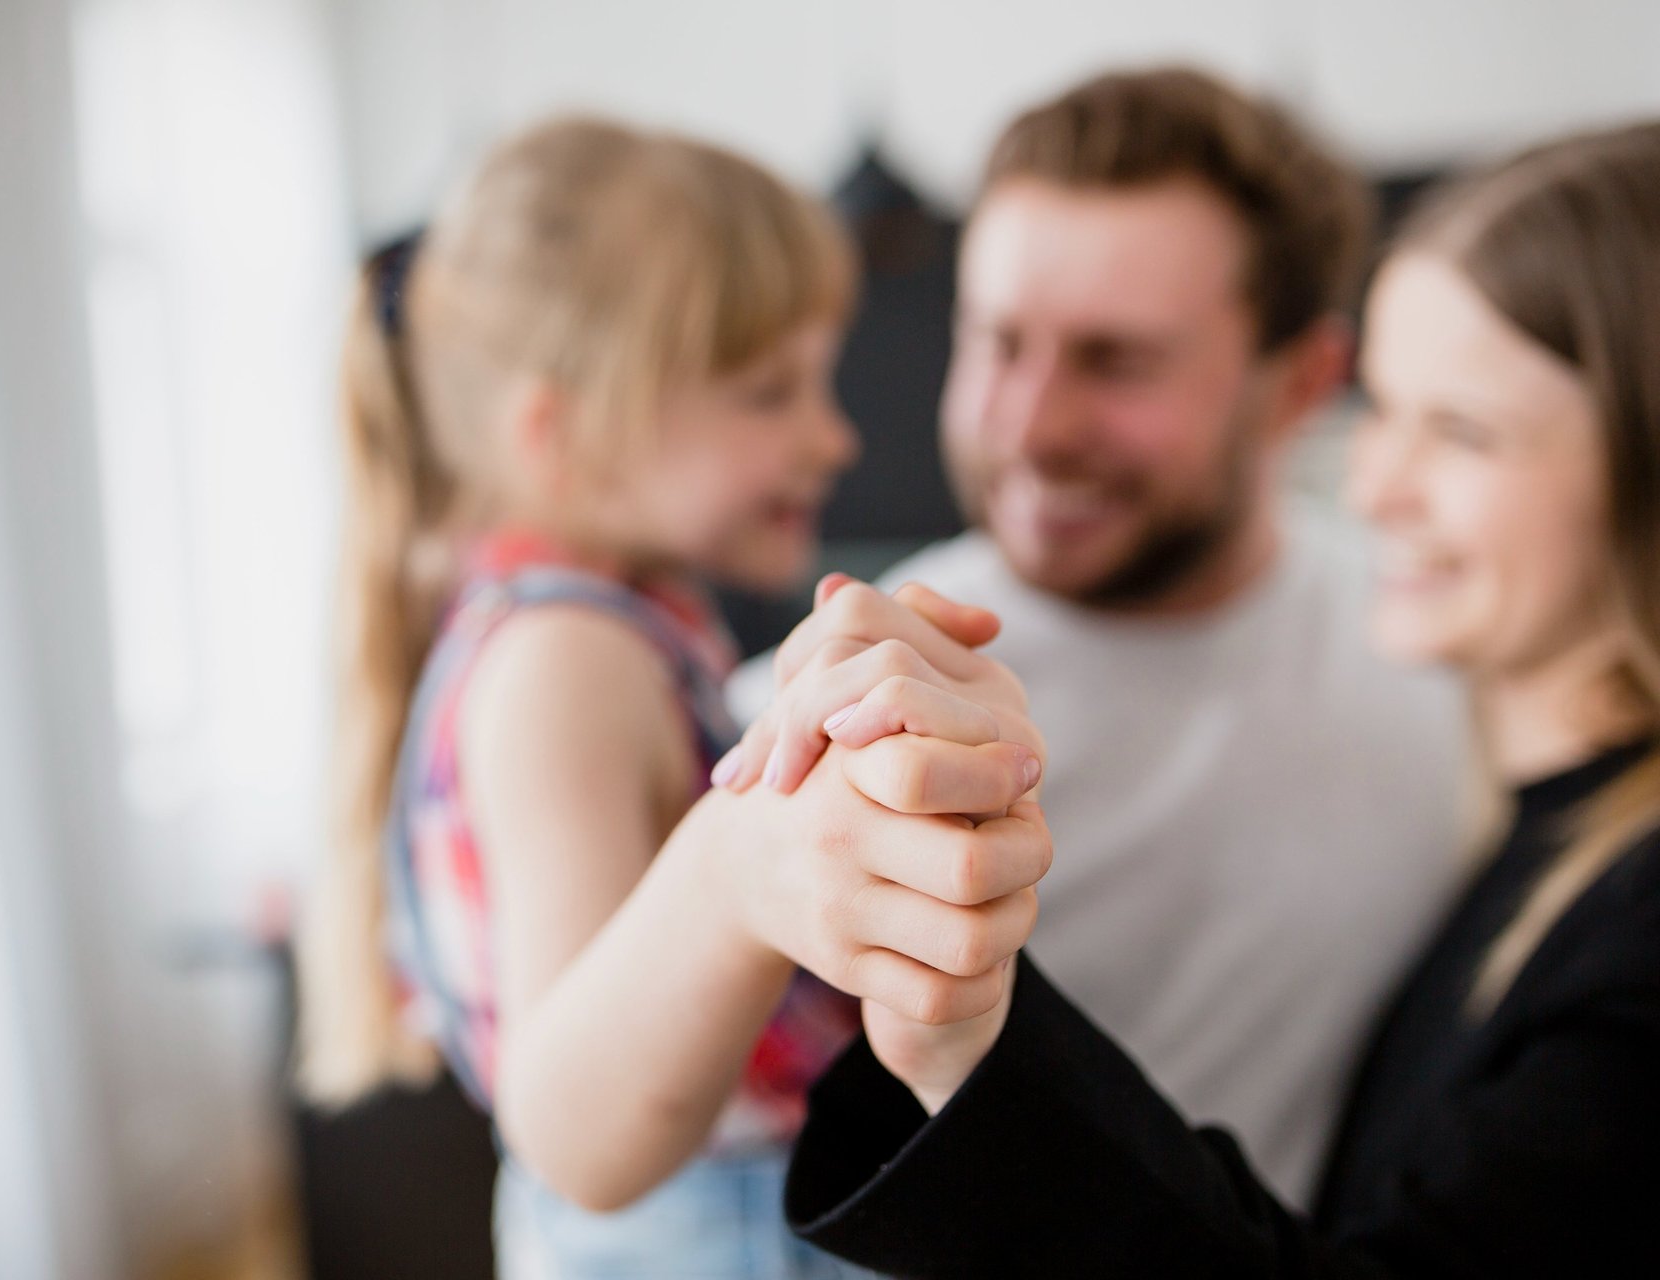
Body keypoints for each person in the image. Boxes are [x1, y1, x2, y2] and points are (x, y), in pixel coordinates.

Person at [780, 120, 1660, 1277]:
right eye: (1386, 411)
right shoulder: (1545, 825)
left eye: (1462, 431)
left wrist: (969, 1035)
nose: (1373, 484)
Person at [293, 116, 1051, 1278]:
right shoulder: (568, 661)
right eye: (769, 391)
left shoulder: (606, 622)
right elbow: (578, 1132)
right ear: (560, 431)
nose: (832, 435)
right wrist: (740, 871)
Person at [727, 67, 1470, 1204]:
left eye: (1116, 361)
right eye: (998, 342)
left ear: (1301, 383)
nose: (1028, 428)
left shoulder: (1443, 649)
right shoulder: (864, 687)